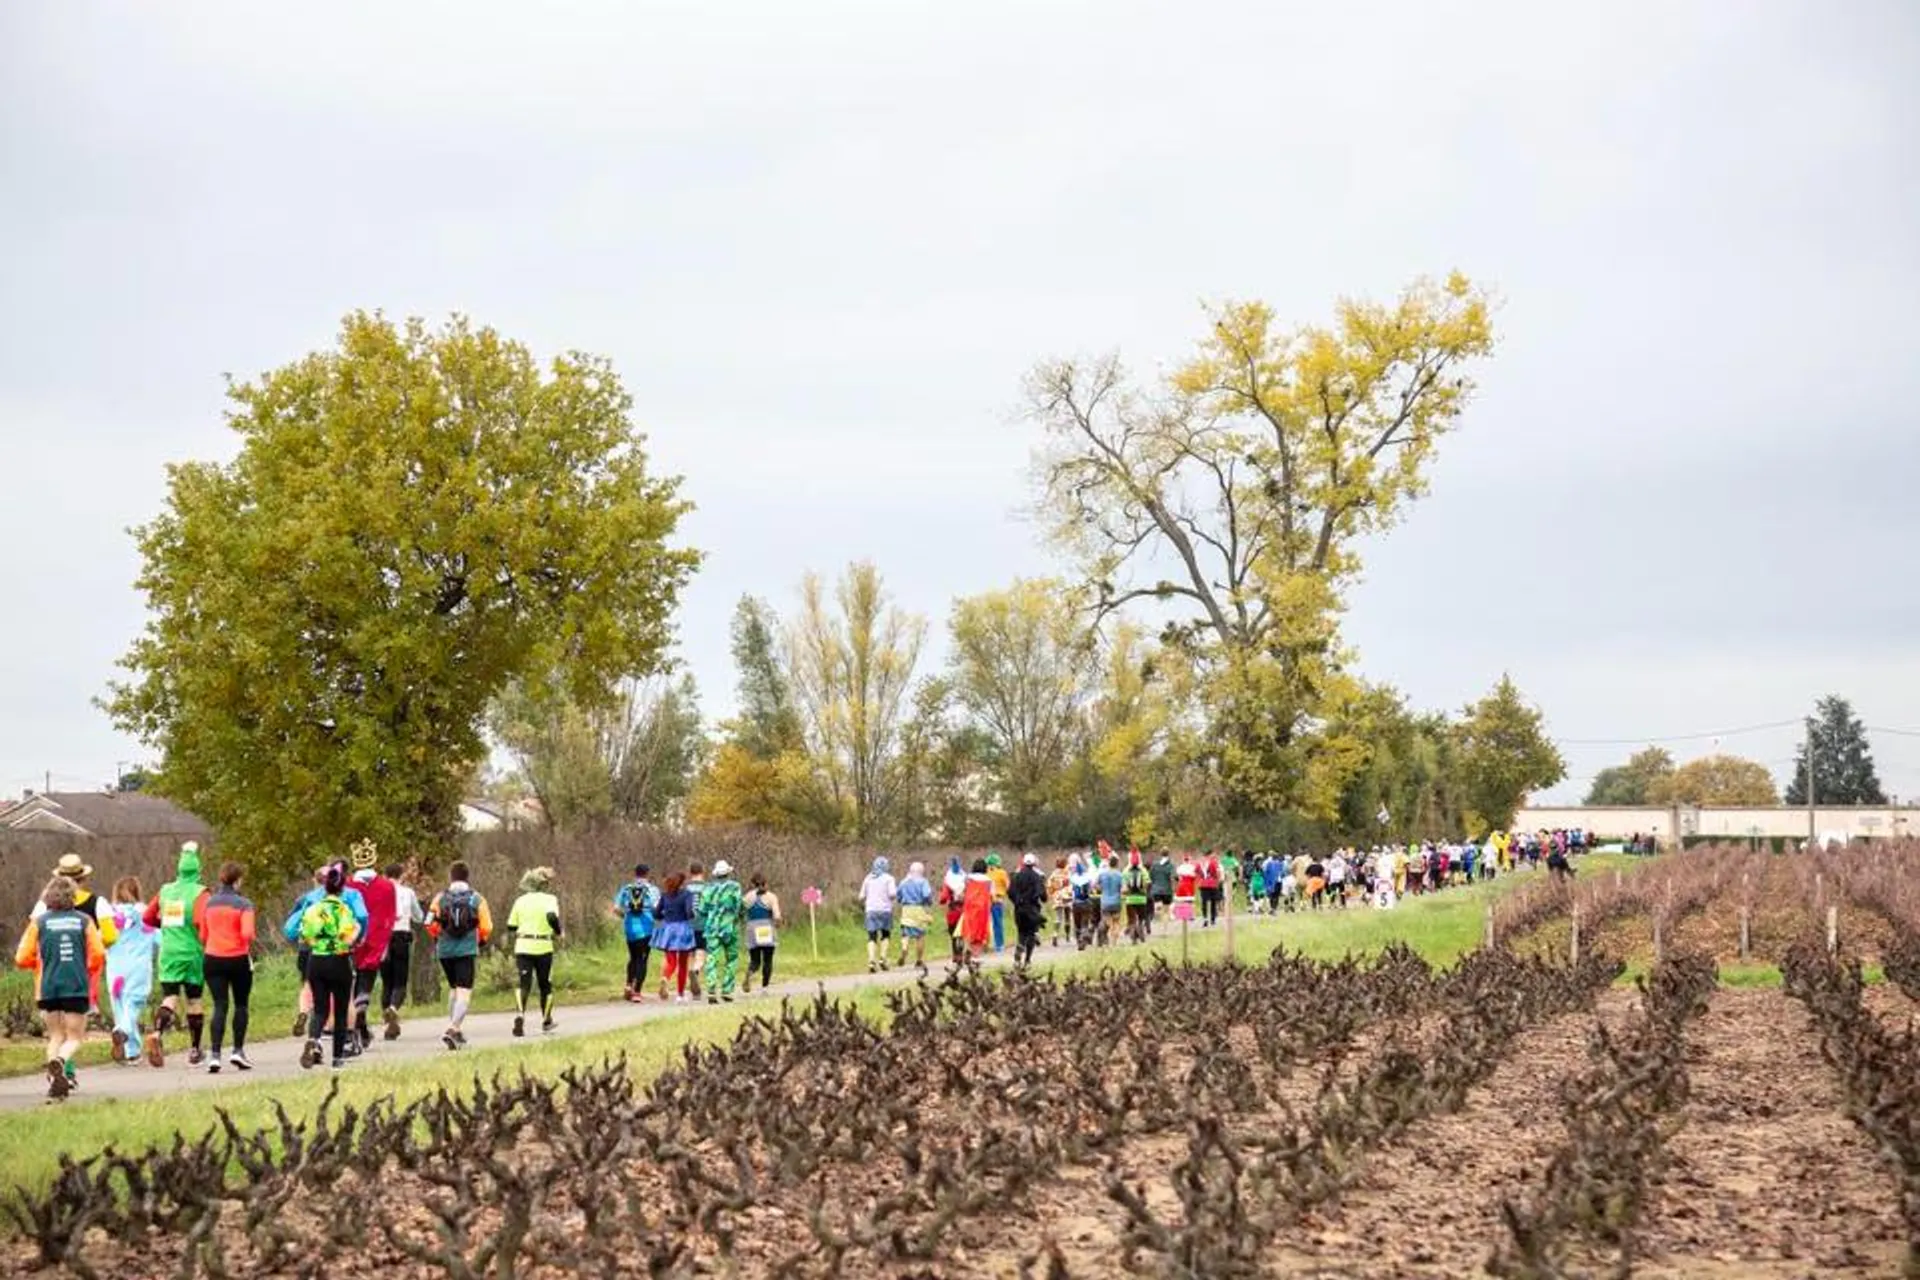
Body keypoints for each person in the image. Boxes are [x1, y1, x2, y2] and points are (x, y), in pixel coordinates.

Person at [16, 876, 106, 1100]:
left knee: (55, 1036)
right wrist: (86, 967)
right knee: (74, 1037)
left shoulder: (39, 922)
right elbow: (98, 954)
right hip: (75, 986)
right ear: (72, 896)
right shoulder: (84, 921)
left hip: (47, 986)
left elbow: (22, 957)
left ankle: (54, 1080)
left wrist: (37, 963)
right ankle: (61, 1062)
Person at [144, 840, 211, 1065]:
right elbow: (204, 923)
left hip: (169, 951)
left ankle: (156, 1033)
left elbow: (147, 917)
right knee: (194, 1000)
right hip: (192, 952)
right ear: (198, 871)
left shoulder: (165, 891)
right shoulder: (201, 893)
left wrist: (165, 926)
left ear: (179, 870)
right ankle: (194, 1050)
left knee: (170, 997)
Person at [32, 854, 117, 1013]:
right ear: (83, 878)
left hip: (51, 969)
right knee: (79, 1018)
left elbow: (33, 936)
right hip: (84, 973)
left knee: (55, 1018)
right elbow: (110, 936)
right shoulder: (98, 902)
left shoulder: (43, 905)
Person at [298, 863, 362, 1071]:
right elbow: (348, 938)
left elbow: (305, 935)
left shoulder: (313, 909)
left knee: (320, 1008)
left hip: (316, 960)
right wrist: (358, 930)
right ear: (342, 888)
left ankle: (314, 1039)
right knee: (341, 1010)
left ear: (324, 887)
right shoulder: (344, 910)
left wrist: (318, 943)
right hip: (339, 960)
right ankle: (337, 1058)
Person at [426, 861, 491, 1051]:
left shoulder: (440, 898)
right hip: (466, 950)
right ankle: (453, 1028)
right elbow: (487, 926)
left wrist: (438, 935)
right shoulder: (477, 899)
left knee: (453, 989)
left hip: (445, 951)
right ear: (467, 877)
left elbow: (429, 923)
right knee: (464, 991)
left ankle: (457, 1028)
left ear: (451, 877)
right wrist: (481, 939)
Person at [198, 861, 256, 1073]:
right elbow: (247, 933)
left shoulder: (209, 903)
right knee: (241, 1004)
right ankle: (237, 1051)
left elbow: (202, 935)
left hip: (213, 958)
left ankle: (214, 1055)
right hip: (238, 958)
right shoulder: (244, 904)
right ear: (238, 880)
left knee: (219, 1005)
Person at [346, 842, 398, 1050]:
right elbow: (391, 915)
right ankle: (361, 1016)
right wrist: (385, 942)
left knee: (353, 980)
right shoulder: (387, 886)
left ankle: (359, 1023)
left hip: (351, 937)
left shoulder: (348, 886)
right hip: (377, 939)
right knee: (367, 979)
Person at [104, 877, 157, 1065]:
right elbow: (159, 938)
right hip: (138, 966)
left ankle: (132, 1052)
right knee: (133, 1004)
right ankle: (123, 1032)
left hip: (115, 967)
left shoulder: (108, 913)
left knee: (120, 1007)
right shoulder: (145, 912)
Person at [506, 866, 562, 1036]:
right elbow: (552, 916)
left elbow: (511, 926)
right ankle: (546, 1020)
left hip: (523, 945)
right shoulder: (550, 899)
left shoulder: (520, 901)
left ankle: (520, 1014)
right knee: (545, 984)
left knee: (524, 983)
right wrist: (559, 931)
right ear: (545, 884)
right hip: (543, 945)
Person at [379, 861, 424, 1033]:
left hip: (383, 938)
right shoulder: (408, 892)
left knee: (386, 982)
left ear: (385, 875)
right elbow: (418, 916)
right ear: (401, 875)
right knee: (400, 981)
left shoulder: (379, 892)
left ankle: (388, 1022)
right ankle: (393, 1008)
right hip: (401, 936)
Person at [700, 860, 744, 1004]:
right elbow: (739, 906)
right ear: (728, 873)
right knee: (731, 958)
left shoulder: (707, 889)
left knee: (711, 957)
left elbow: (702, 910)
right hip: (730, 927)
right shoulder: (735, 887)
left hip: (712, 928)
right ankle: (727, 989)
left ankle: (711, 989)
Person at [614, 864, 660, 1002]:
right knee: (642, 959)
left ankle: (628, 984)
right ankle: (637, 992)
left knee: (633, 957)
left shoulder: (626, 889)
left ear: (635, 874)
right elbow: (657, 907)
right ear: (647, 874)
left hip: (629, 928)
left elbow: (616, 908)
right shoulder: (652, 889)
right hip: (646, 928)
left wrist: (625, 916)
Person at [651, 872, 697, 1002]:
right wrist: (692, 916)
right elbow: (689, 912)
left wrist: (662, 915)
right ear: (682, 882)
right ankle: (680, 995)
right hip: (683, 929)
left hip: (668, 929)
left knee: (671, 962)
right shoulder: (687, 894)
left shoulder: (665, 895)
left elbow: (656, 913)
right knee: (683, 964)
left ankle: (665, 978)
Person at [742, 874, 783, 993]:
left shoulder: (747, 896)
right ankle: (764, 987)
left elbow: (741, 911)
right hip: (766, 928)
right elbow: (776, 916)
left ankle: (750, 972)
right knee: (768, 959)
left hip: (752, 928)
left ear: (752, 884)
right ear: (766, 883)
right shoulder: (771, 897)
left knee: (755, 960)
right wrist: (778, 924)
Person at [1007, 853, 1047, 968]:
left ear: (1023, 863)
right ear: (1034, 863)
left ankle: (1018, 952)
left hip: (1019, 909)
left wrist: (1017, 901)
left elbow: (1010, 892)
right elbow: (1043, 896)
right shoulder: (1037, 877)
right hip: (1033, 909)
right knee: (1031, 934)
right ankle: (1027, 960)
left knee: (1021, 932)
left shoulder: (1016, 876)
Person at [859, 856, 899, 972]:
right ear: (886, 866)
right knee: (885, 934)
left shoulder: (868, 878)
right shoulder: (889, 878)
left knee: (871, 936)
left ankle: (871, 960)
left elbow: (861, 896)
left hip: (871, 910)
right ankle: (883, 958)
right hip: (885, 910)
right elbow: (892, 894)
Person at [896, 861, 933, 973]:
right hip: (918, 909)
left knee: (905, 933)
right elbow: (927, 895)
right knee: (920, 936)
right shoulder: (923, 882)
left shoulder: (904, 881)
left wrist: (902, 900)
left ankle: (904, 948)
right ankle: (919, 960)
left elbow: (898, 895)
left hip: (906, 909)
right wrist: (928, 903)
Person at [959, 859, 994, 962]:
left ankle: (967, 949)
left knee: (968, 929)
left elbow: (961, 893)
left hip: (969, 907)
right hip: (983, 908)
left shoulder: (967, 878)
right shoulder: (989, 880)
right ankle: (975, 956)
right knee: (980, 930)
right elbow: (992, 895)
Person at [685, 863, 709, 999]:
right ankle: (696, 970)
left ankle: (690, 972)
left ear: (690, 872)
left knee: (690, 954)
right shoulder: (708, 888)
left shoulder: (685, 889)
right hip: (703, 924)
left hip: (688, 925)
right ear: (703, 871)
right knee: (701, 954)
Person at [938, 856, 967, 965]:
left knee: (953, 934)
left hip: (952, 911)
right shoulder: (964, 877)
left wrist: (941, 900)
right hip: (963, 910)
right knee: (962, 934)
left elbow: (943, 897)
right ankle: (961, 953)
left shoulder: (948, 879)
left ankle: (955, 955)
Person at [1097, 855, 1125, 947]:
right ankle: (1114, 944)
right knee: (1116, 923)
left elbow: (1094, 886)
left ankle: (1108, 941)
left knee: (1109, 924)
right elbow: (1124, 889)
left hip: (1105, 903)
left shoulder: (1102, 874)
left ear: (1109, 863)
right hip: (1116, 902)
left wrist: (1101, 889)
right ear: (1117, 864)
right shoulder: (1120, 875)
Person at [1122, 853, 1151, 942]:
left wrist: (1125, 893)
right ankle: (1141, 932)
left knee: (1131, 919)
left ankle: (1133, 937)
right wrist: (1145, 891)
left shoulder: (1126, 871)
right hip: (1141, 898)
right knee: (1141, 917)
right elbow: (1148, 883)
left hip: (1130, 898)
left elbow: (1124, 887)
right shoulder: (1143, 870)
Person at [985, 854, 1010, 953]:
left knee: (986, 923)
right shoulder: (1002, 873)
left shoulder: (985, 873)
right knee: (998, 923)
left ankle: (986, 944)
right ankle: (999, 945)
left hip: (986, 900)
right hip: (998, 899)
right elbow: (1008, 886)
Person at [1046, 857, 1072, 947]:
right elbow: (1072, 883)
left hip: (1057, 897)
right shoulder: (1067, 873)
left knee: (1058, 917)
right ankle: (1068, 935)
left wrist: (1051, 894)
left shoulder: (1053, 874)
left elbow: (1049, 886)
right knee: (1068, 916)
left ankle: (1055, 934)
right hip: (1067, 896)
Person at [1148, 852, 1176, 934]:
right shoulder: (1171, 865)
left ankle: (1157, 911)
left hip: (1156, 890)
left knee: (1158, 907)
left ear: (1160, 854)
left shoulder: (1154, 865)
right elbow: (1173, 877)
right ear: (1168, 854)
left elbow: (1150, 876)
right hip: (1167, 891)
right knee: (1166, 911)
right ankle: (1164, 931)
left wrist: (1155, 883)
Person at [1198, 853, 1223, 927]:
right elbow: (1216, 873)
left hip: (1203, 884)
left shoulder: (1200, 863)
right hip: (1212, 884)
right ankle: (1212, 919)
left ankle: (1205, 919)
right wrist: (1217, 881)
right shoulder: (1213, 863)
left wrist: (1200, 879)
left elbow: (1196, 872)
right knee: (1213, 902)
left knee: (1204, 902)